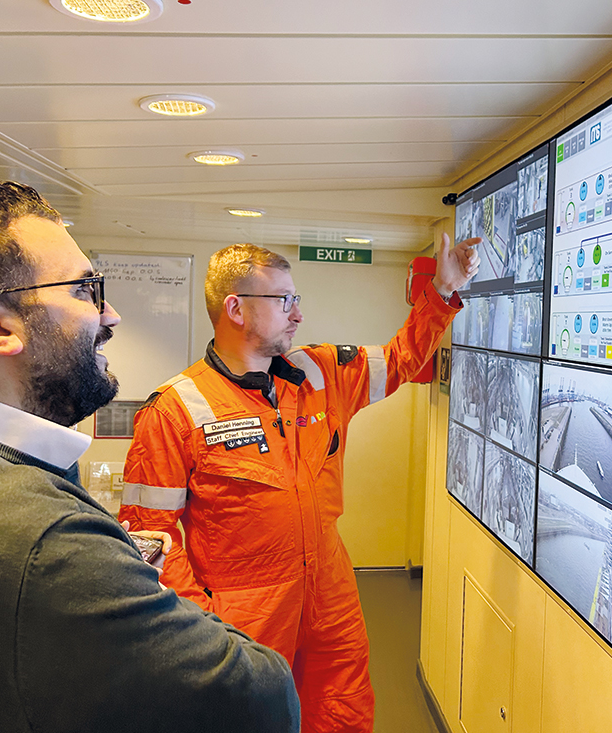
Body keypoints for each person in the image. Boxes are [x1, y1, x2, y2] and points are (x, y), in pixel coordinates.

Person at [0, 179, 301, 733]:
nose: (110, 314)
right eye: (85, 290)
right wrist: (118, 575)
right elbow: (261, 697)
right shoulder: (48, 538)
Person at [118, 235, 480, 733]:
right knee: (248, 718)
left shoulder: (320, 373)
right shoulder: (176, 410)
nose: (297, 314)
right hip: (241, 610)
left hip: (329, 591)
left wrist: (442, 290)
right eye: (284, 300)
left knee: (342, 710)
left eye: (297, 300)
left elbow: (401, 360)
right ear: (236, 309)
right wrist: (202, 622)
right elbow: (148, 535)